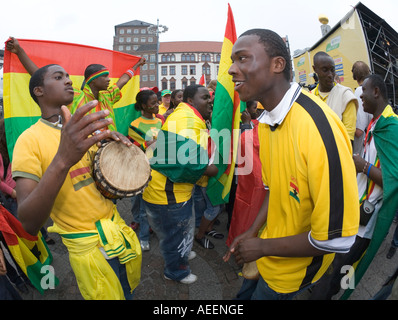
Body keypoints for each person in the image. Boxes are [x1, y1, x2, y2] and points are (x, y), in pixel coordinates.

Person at [223, 29, 359, 300]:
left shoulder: (320, 129)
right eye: (232, 61)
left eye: (242, 59)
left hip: (290, 276)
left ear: (277, 64)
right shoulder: (265, 122)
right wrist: (252, 233)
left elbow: (336, 240)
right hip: (266, 257)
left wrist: (262, 247)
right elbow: (274, 189)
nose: (231, 69)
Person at [12, 64, 142, 300]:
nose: (69, 81)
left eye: (69, 77)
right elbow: (29, 222)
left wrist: (120, 160)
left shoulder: (87, 131)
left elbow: (99, 186)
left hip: (117, 232)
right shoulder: (28, 140)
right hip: (89, 248)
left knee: (127, 293)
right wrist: (63, 159)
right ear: (39, 91)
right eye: (59, 77)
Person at [310, 74, 398, 299]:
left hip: (364, 224)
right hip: (352, 210)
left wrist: (364, 165)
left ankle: (327, 293)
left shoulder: (392, 127)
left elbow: (393, 180)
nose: (360, 99)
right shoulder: (376, 123)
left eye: (363, 92)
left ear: (376, 92)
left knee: (339, 270)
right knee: (336, 269)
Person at [142, 84, 218, 284]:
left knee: (179, 232)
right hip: (167, 193)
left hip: (173, 190)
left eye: (209, 97)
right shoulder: (187, 119)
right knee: (173, 235)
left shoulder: (188, 116)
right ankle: (176, 271)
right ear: (190, 100)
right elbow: (184, 161)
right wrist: (211, 169)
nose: (210, 100)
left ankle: (181, 253)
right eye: (205, 97)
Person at [6, 37, 146, 132]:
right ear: (93, 80)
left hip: (111, 154)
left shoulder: (108, 96)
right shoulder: (75, 96)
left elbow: (123, 80)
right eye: (104, 76)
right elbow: (40, 76)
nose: (109, 80)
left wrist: (136, 65)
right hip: (84, 155)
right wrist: (20, 52)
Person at [128, 90, 163, 251]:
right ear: (143, 106)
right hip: (142, 170)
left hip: (160, 170)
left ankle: (159, 231)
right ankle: (143, 238)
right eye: (153, 103)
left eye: (158, 101)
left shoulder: (161, 121)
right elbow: (130, 149)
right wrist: (144, 145)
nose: (158, 105)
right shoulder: (135, 125)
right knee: (143, 208)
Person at [312, 51, 358, 144]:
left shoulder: (346, 96)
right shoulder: (311, 97)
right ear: (315, 69)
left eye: (332, 70)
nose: (330, 75)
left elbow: (348, 139)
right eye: (325, 70)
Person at [352, 61, 373, 155]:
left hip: (363, 150)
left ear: (355, 75)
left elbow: (359, 131)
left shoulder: (360, 91)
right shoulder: (373, 88)